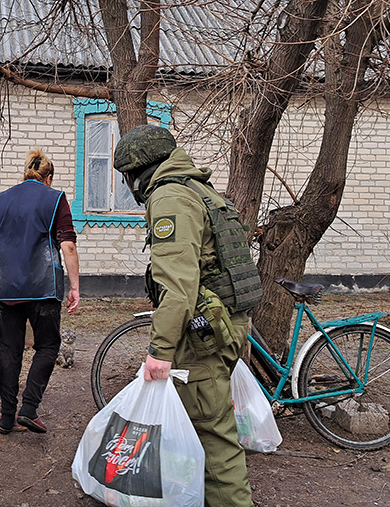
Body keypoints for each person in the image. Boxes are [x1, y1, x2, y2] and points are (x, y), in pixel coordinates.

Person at [114, 125, 260, 506]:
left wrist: (160, 352)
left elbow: (178, 288)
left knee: (214, 438)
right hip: (222, 326)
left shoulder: (171, 197)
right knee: (198, 429)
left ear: (136, 172)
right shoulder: (201, 190)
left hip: (203, 336)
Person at [0, 148, 80, 435]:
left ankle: (6, 417)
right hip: (42, 289)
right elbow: (68, 245)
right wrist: (75, 286)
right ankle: (29, 408)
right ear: (48, 177)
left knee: (9, 351)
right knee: (48, 346)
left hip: (5, 289)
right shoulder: (55, 199)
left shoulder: (0, 200)